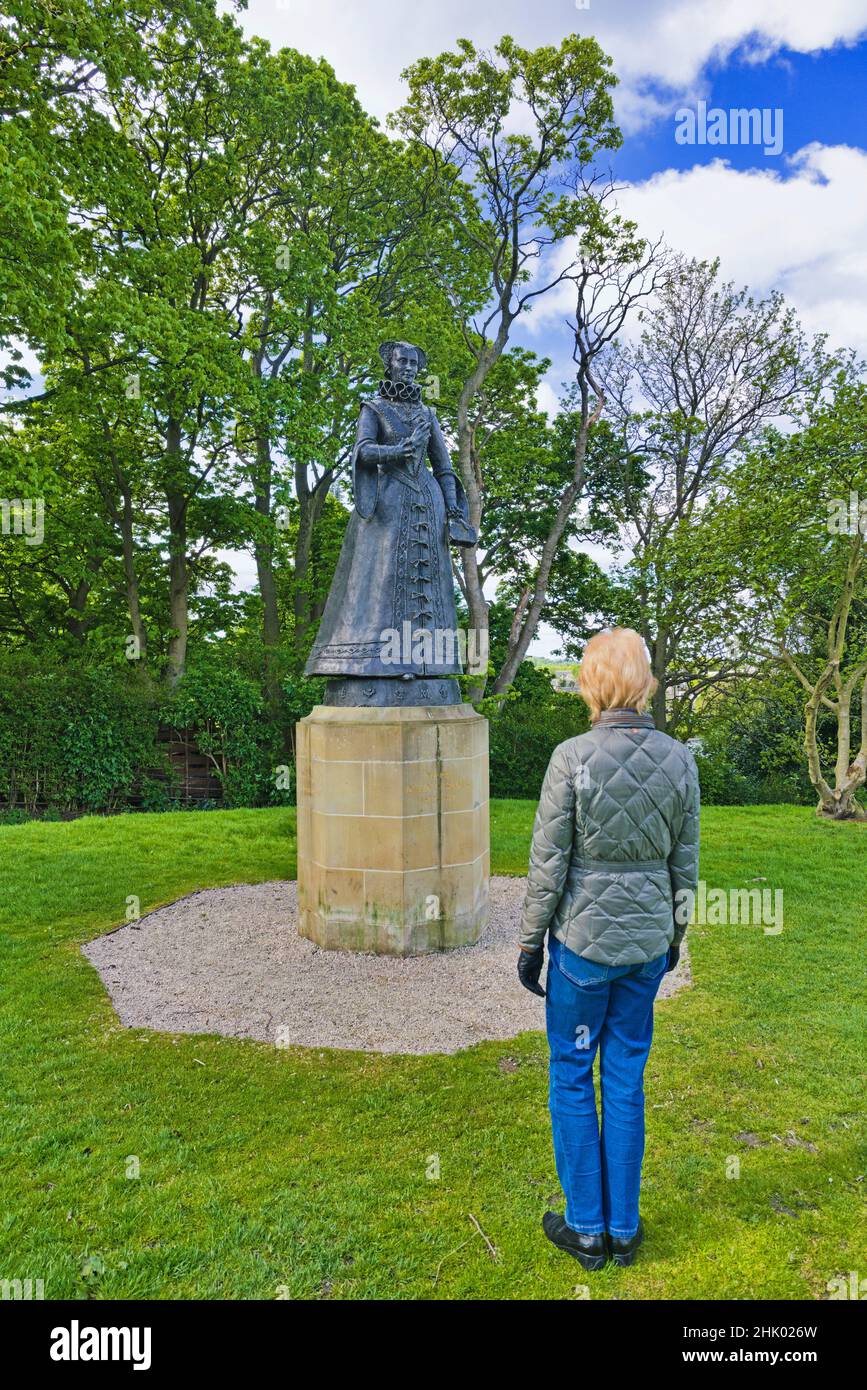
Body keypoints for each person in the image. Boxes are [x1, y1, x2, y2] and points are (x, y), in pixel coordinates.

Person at [516, 627, 700, 1271]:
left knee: (572, 1071)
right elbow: (686, 861)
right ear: (643, 683)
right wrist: (675, 934)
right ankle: (622, 1228)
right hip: (645, 946)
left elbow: (548, 865)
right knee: (624, 1076)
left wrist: (529, 943)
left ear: (591, 683)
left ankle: (587, 1227)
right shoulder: (680, 759)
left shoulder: (571, 757)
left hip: (582, 950)